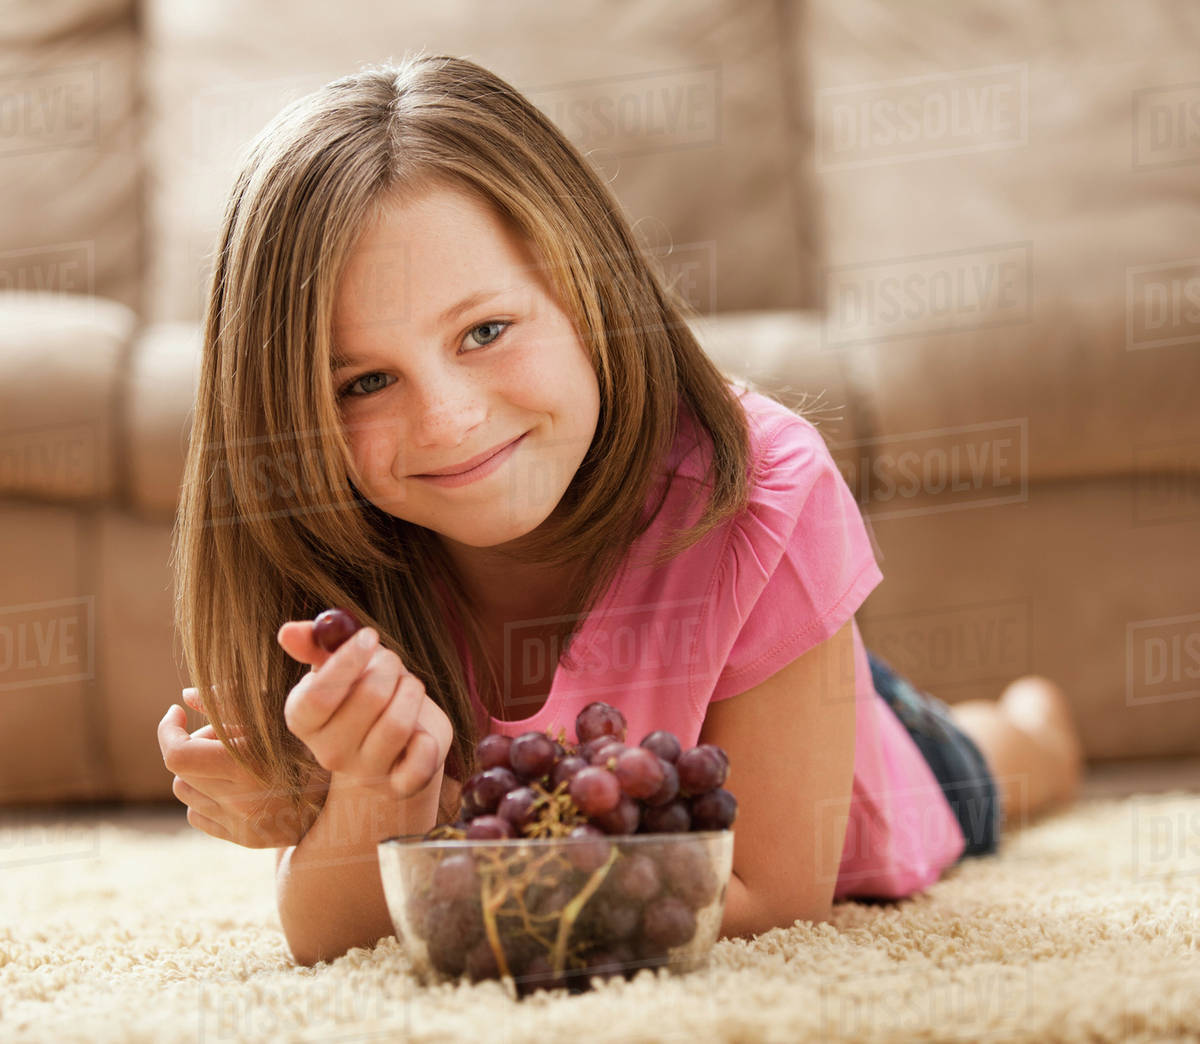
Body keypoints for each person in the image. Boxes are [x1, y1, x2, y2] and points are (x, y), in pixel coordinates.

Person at [156, 53, 1084, 968]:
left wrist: (423, 823)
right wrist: (366, 798)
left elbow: (766, 898)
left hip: (842, 723)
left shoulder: (765, 490)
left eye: (484, 331)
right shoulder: (331, 550)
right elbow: (333, 938)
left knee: (984, 770)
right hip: (715, 673)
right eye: (364, 381)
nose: (448, 421)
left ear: (589, 292)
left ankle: (1032, 724)